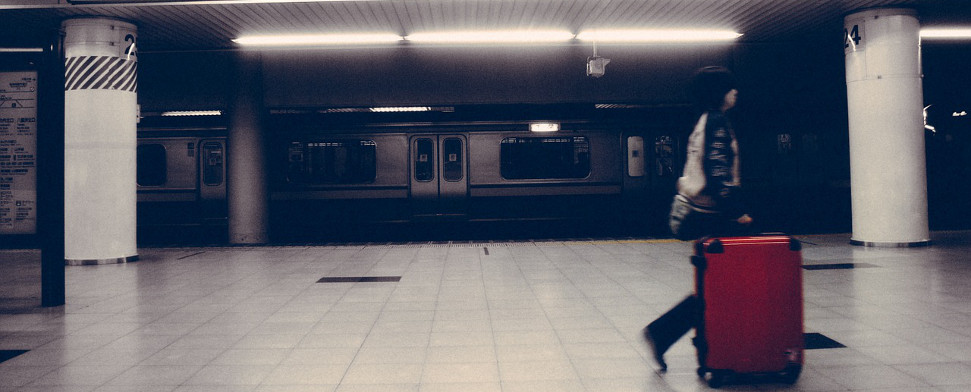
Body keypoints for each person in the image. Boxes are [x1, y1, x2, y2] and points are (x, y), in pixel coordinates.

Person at [644, 66, 752, 371]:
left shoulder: (705, 121)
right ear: (719, 92)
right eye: (731, 88)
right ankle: (667, 334)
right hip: (714, 216)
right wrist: (738, 213)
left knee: (716, 286)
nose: (736, 92)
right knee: (722, 287)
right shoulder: (717, 121)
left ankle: (690, 339)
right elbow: (717, 170)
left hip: (703, 213)